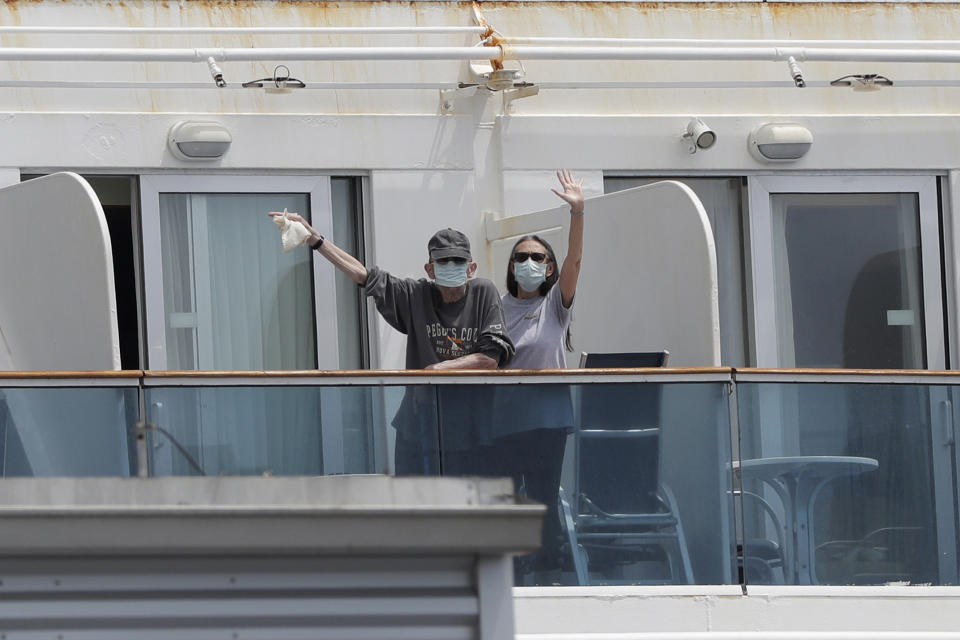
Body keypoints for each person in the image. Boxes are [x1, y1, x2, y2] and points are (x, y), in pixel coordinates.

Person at [267, 212, 514, 472]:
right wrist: (315, 239)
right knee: (413, 506)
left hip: (470, 430)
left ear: (471, 267)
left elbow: (490, 358)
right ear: (430, 269)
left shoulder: (484, 292)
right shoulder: (416, 294)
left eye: (457, 261)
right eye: (443, 261)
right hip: (418, 425)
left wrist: (434, 371)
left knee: (468, 508)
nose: (450, 266)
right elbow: (363, 275)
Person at [495, 169, 586, 582]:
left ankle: (549, 573)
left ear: (548, 267)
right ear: (511, 266)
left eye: (537, 257)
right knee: (510, 498)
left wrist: (578, 214)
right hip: (504, 419)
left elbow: (575, 261)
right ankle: (513, 572)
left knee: (544, 496)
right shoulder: (494, 306)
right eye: (521, 257)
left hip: (548, 417)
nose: (529, 263)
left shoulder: (555, 304)